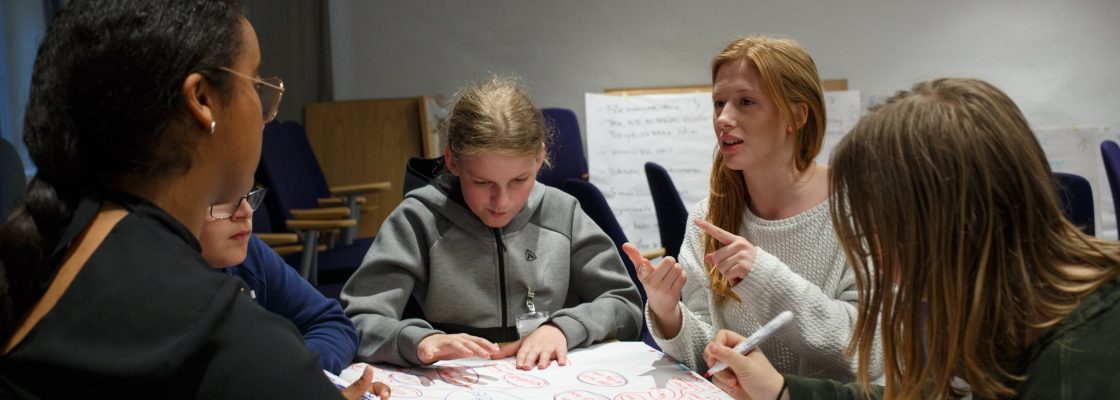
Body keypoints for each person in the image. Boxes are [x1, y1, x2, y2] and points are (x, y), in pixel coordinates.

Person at [0, 1, 386, 398]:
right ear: (201, 99)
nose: (265, 107)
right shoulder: (219, 338)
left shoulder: (61, 250)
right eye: (254, 81)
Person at [703, 78, 1120, 400]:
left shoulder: (1081, 363)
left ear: (952, 227)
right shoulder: (999, 307)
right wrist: (781, 390)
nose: (877, 258)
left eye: (883, 232)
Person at [621, 35, 883, 381]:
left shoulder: (857, 210)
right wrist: (668, 313)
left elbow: (869, 354)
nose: (723, 119)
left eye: (745, 102)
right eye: (718, 103)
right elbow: (707, 358)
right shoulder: (707, 217)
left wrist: (765, 277)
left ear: (796, 115)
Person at [343, 76, 643, 370]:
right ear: (453, 162)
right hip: (456, 380)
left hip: (550, 379)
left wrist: (563, 328)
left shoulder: (563, 213)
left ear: (539, 158)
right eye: (482, 182)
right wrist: (419, 341)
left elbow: (625, 306)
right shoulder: (417, 220)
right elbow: (357, 320)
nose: (502, 201)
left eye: (519, 180)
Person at [199, 185, 360, 374]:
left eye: (247, 195)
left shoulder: (251, 254)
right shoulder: (164, 289)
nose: (246, 211)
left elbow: (333, 323)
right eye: (223, 200)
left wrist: (296, 374)